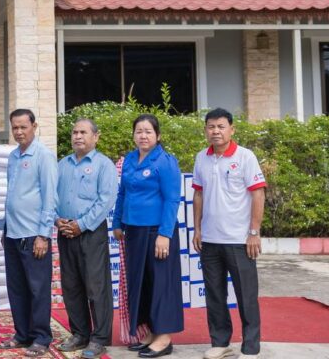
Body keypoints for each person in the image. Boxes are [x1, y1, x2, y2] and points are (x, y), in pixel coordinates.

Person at [192, 108, 266, 359]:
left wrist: (254, 232)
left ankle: (251, 347)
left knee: (246, 295)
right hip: (210, 240)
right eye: (211, 127)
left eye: (221, 126)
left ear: (231, 129)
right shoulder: (201, 158)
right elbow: (198, 194)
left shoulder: (245, 156)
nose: (216, 131)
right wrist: (198, 229)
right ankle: (220, 342)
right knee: (214, 294)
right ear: (206, 130)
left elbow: (258, 193)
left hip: (239, 240)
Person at [113, 114, 184, 358]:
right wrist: (117, 222)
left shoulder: (165, 161)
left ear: (158, 135)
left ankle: (164, 338)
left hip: (157, 232)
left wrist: (164, 234)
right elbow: (122, 194)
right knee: (142, 284)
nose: (143, 135)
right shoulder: (130, 160)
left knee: (161, 284)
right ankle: (151, 333)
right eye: (139, 131)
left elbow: (172, 200)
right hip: (133, 231)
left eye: (148, 131)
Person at [54, 118, 117, 359]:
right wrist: (57, 220)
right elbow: (52, 196)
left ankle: (99, 338)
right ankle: (79, 333)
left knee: (95, 287)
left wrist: (81, 225)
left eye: (83, 132)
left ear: (96, 137)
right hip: (65, 231)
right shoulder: (62, 164)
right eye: (74, 132)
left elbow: (106, 200)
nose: (78, 136)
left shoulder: (104, 165)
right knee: (71, 286)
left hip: (90, 233)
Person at [0, 108, 58, 357]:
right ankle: (22, 334)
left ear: (34, 126)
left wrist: (44, 234)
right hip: (13, 233)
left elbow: (50, 197)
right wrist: (6, 229)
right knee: (17, 288)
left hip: (34, 235)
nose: (19, 132)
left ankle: (41, 337)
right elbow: (13, 195)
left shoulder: (44, 155)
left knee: (37, 289)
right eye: (15, 127)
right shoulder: (13, 156)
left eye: (24, 127)